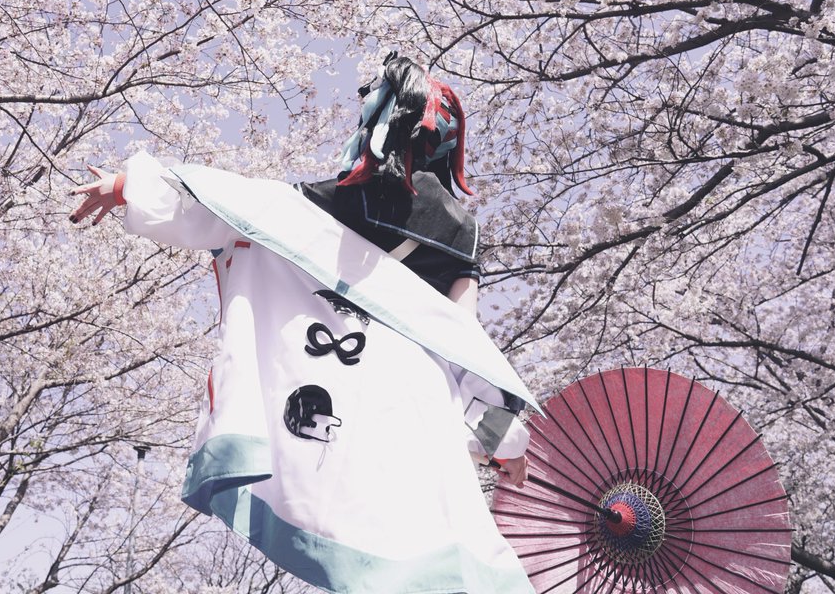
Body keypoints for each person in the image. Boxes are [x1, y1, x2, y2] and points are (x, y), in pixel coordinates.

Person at [70, 52, 533, 593]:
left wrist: (130, 187)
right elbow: (466, 347)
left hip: (326, 397)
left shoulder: (322, 203)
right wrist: (505, 442)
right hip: (410, 411)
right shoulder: (460, 232)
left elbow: (227, 208)